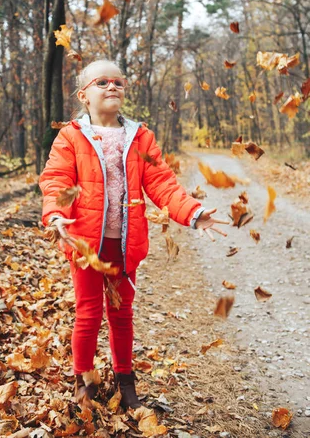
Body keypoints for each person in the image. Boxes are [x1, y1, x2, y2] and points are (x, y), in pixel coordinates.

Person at [39, 58, 228, 410]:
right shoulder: (71, 136)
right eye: (102, 82)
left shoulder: (140, 136)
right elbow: (57, 180)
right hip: (85, 243)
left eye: (118, 82)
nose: (112, 87)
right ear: (84, 95)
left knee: (122, 313)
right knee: (88, 312)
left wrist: (193, 213)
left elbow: (162, 184)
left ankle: (125, 380)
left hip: (125, 245)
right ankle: (83, 379)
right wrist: (55, 214)